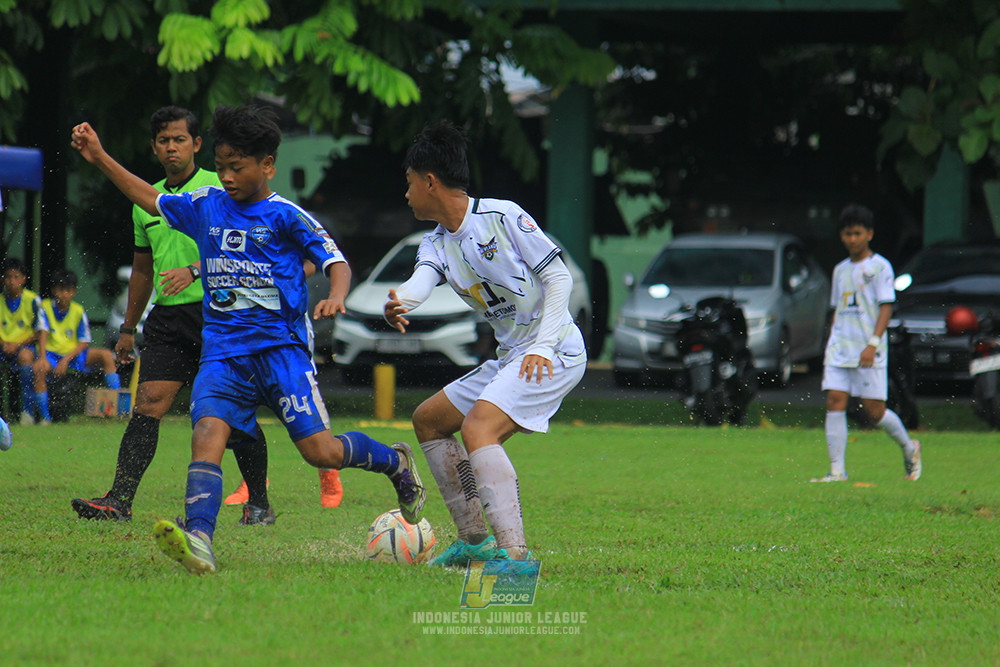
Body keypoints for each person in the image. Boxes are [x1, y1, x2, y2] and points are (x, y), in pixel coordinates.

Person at [71, 104, 425, 575]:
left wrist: (336, 296)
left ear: (268, 166)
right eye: (222, 167)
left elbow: (335, 262)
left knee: (320, 452)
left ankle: (395, 463)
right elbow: (148, 199)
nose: (228, 177)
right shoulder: (206, 206)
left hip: (281, 353)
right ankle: (199, 538)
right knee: (207, 433)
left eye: (237, 167)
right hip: (223, 354)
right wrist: (99, 157)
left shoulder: (286, 216)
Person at [384, 121, 587, 567]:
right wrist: (400, 301)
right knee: (429, 420)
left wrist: (543, 346)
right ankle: (475, 541)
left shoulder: (503, 216)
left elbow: (558, 277)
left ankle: (515, 555)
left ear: (430, 182)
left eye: (410, 184)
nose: (407, 194)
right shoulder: (436, 243)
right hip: (513, 357)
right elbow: (420, 283)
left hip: (554, 352)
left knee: (478, 429)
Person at [70, 106, 276, 525]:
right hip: (167, 318)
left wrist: (197, 269)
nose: (171, 147)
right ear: (154, 148)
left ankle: (258, 503)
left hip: (219, 315)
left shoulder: (220, 187)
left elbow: (247, 247)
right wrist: (128, 328)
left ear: (197, 145)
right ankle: (119, 500)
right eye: (163, 140)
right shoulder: (145, 202)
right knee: (147, 403)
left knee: (231, 413)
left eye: (179, 139)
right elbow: (143, 270)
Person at [811, 204, 922, 483]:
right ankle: (837, 471)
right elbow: (838, 308)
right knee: (835, 401)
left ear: (869, 234)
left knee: (874, 411)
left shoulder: (880, 267)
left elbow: (886, 307)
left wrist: (873, 343)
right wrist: (830, 340)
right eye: (847, 234)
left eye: (857, 233)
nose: (852, 239)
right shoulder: (840, 270)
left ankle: (910, 448)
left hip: (868, 349)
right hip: (840, 348)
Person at [33, 269, 120, 423]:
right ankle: (45, 418)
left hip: (72, 355)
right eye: (60, 290)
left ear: (73, 292)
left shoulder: (78, 310)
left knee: (106, 355)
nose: (64, 294)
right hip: (52, 355)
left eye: (68, 290)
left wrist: (66, 359)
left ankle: (117, 405)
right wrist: (43, 358)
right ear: (54, 290)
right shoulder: (45, 307)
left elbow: (84, 341)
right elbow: (42, 333)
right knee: (39, 368)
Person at [0, 257, 47, 425]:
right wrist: (4, 344)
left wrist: (18, 345)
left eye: (15, 277)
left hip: (23, 347)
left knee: (26, 358)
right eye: (8, 277)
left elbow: (40, 330)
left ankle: (27, 412)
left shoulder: (33, 300)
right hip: (3, 347)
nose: (11, 281)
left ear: (23, 279)